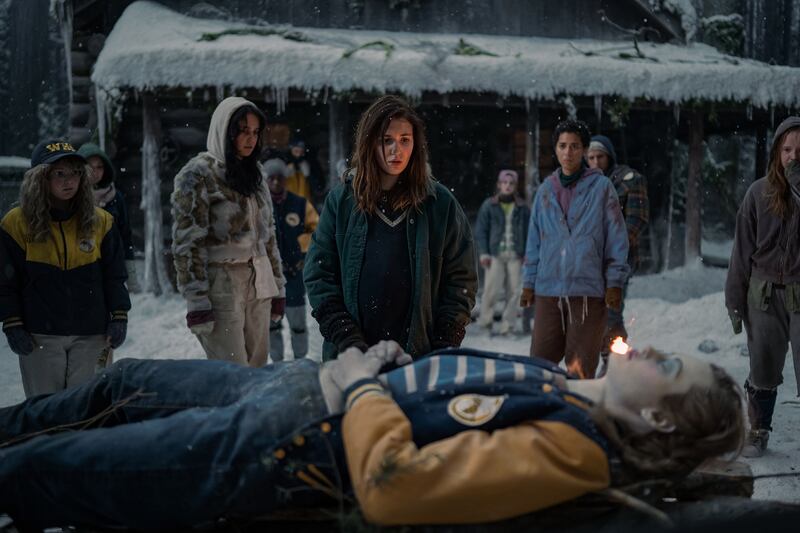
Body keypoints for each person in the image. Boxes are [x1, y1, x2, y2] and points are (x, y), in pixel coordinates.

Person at [0, 340, 745, 530]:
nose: (651, 350)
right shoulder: (561, 378)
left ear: (661, 419)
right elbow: (447, 399)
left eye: (668, 367)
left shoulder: (578, 448)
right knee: (118, 382)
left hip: (284, 441)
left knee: (47, 470)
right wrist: (387, 365)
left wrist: (361, 386)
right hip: (297, 384)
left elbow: (396, 486)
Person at [304, 95, 477, 360]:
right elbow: (319, 273)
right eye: (387, 140)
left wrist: (445, 342)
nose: (397, 150)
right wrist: (346, 337)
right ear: (370, 143)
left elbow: (461, 278)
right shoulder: (342, 202)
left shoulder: (440, 204)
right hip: (352, 355)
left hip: (420, 355)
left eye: (405, 140)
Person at [0, 140, 130, 397]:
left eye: (75, 173)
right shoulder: (15, 224)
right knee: (46, 411)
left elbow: (114, 275)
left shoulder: (101, 222)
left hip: (92, 334)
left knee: (87, 409)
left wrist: (119, 315)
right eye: (59, 173)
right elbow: (5, 282)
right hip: (40, 335)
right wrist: (11, 323)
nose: (68, 181)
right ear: (40, 178)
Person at [171, 97, 286, 367]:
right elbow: (188, 242)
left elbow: (268, 236)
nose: (250, 139)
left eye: (255, 132)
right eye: (243, 131)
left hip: (259, 279)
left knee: (257, 368)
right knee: (232, 370)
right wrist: (197, 299)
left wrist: (277, 286)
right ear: (225, 130)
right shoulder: (198, 174)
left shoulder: (256, 174)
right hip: (221, 281)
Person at [520, 120, 629, 378]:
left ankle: (577, 404)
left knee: (580, 369)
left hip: (587, 290)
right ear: (555, 150)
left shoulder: (601, 188)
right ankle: (545, 405)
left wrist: (614, 282)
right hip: (549, 289)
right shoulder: (545, 191)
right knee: (539, 365)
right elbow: (534, 242)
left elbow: (616, 238)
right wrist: (529, 283)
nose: (568, 152)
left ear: (584, 150)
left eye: (574, 146)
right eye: (562, 146)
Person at [725, 116, 800, 457]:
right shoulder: (758, 193)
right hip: (764, 294)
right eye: (787, 150)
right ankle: (758, 429)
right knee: (763, 364)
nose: (793, 157)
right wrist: (734, 298)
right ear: (776, 153)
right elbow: (741, 253)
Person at [586, 134, 650, 367]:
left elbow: (637, 220)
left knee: (611, 311)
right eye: (591, 157)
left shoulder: (629, 179)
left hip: (618, 259)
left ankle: (615, 362)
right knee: (591, 312)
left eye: (600, 156)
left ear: (609, 156)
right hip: (589, 259)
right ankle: (600, 359)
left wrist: (614, 247)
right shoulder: (584, 183)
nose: (595, 162)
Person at [263, 157, 319, 362]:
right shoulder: (260, 206)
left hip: (295, 273)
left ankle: (300, 361)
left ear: (285, 179)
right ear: (265, 181)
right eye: (271, 178)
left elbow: (317, 231)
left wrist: (300, 246)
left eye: (279, 178)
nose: (276, 182)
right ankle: (276, 362)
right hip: (268, 277)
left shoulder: (300, 204)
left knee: (298, 324)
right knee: (271, 324)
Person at [77, 142, 141, 293]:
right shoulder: (72, 197)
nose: (95, 172)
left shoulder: (115, 197)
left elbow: (125, 236)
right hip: (80, 270)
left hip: (112, 269)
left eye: (100, 167)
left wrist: (131, 277)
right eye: (90, 166)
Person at [474, 169, 530, 335]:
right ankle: (486, 323)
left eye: (511, 183)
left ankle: (508, 326)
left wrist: (527, 253)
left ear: (515, 186)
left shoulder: (522, 207)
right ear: (499, 185)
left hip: (516, 254)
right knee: (491, 290)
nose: (507, 186)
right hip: (495, 254)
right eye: (504, 183)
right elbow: (481, 230)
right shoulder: (489, 205)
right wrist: (484, 252)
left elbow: (529, 232)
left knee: (514, 292)